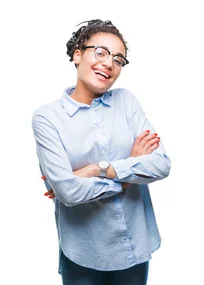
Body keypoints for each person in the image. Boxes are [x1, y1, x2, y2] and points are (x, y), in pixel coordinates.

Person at [32, 19, 171, 284]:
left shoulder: (126, 101)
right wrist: (130, 172)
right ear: (77, 54)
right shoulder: (47, 118)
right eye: (100, 52)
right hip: (84, 251)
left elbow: (161, 164)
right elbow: (68, 192)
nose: (109, 63)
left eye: (118, 59)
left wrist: (98, 169)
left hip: (135, 245)